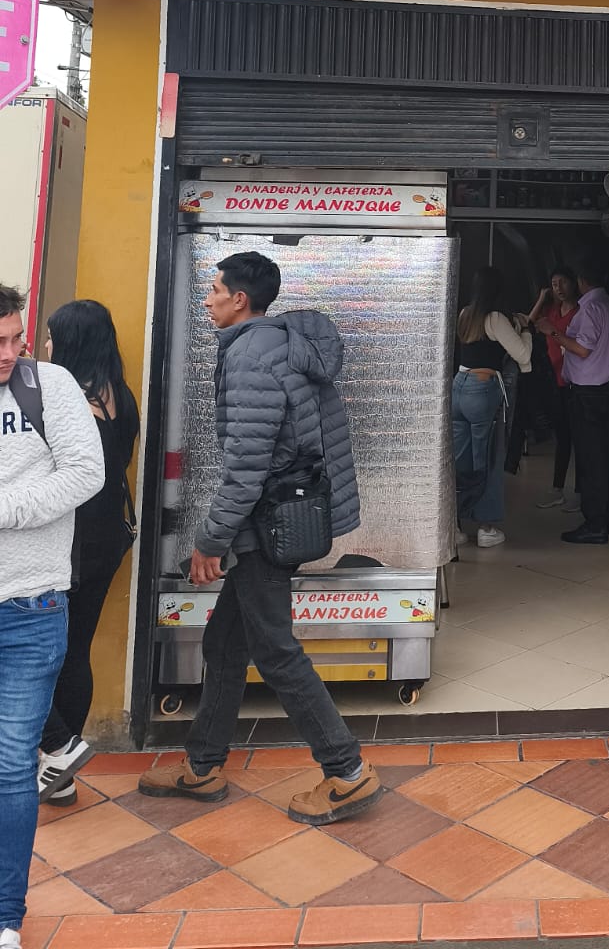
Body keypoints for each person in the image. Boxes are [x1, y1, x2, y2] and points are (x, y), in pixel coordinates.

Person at [138, 252, 381, 826]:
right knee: (226, 645)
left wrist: (210, 540)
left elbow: (246, 468)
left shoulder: (250, 356)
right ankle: (203, 766)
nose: (208, 299)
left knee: (274, 650)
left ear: (240, 299)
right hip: (276, 520)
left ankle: (347, 772)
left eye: (215, 290)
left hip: (266, 527)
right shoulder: (281, 345)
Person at [0, 283, 104, 949]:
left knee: (11, 766)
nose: (10, 353)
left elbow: (87, 472)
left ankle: (5, 917)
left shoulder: (50, 386)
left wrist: (5, 510)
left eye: (16, 338)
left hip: (30, 607)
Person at [37, 301, 140, 808]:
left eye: (51, 336)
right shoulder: (121, 396)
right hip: (106, 540)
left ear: (71, 343)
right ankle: (61, 768)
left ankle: (58, 748)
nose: (45, 345)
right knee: (75, 651)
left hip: (69, 544)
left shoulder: (67, 403)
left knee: (39, 653)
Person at [539, 250, 609, 546]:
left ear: (581, 281)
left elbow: (583, 349)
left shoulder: (589, 310)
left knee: (591, 460)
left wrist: (553, 332)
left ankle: (595, 523)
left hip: (588, 392)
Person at [454, 267, 531, 549]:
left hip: (458, 387)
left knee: (460, 460)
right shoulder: (496, 318)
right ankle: (486, 527)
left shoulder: (465, 314)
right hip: (483, 389)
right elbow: (522, 354)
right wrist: (526, 331)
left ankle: (454, 526)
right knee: (487, 458)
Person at [529, 268, 579, 510]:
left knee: (579, 439)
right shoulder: (552, 312)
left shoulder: (580, 312)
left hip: (575, 383)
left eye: (563, 282)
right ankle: (557, 489)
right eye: (554, 283)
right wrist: (541, 298)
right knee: (563, 438)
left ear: (574, 283)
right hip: (555, 383)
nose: (558, 287)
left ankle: (581, 491)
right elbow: (529, 324)